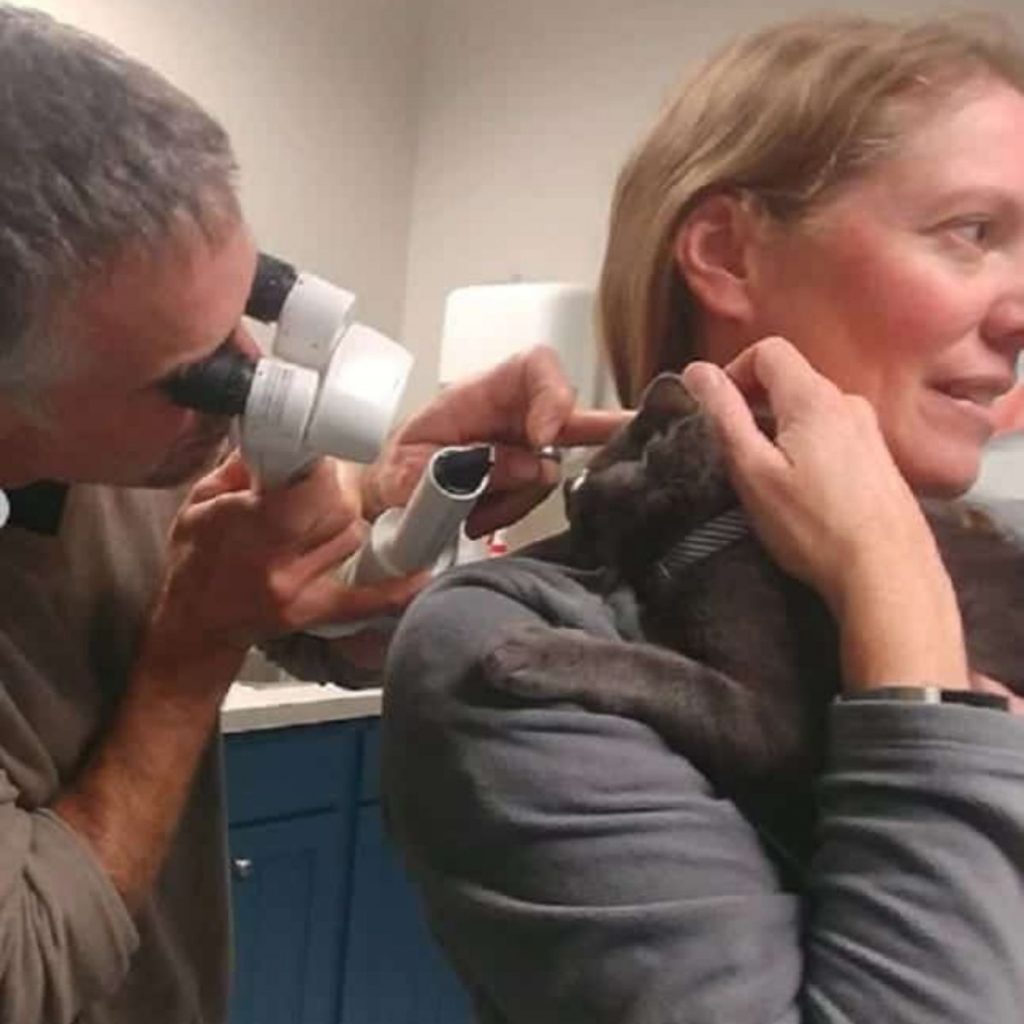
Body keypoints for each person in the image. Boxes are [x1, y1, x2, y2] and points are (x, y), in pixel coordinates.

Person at [382, 13, 1024, 1023]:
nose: (1019, 311)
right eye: (970, 233)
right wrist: (907, 636)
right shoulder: (519, 646)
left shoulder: (991, 569)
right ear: (726, 251)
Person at [0, 7, 626, 1024]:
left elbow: (316, 634)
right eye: (193, 379)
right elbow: (26, 974)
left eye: (252, 300)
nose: (254, 373)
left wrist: (390, 507)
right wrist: (189, 655)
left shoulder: (108, 438)